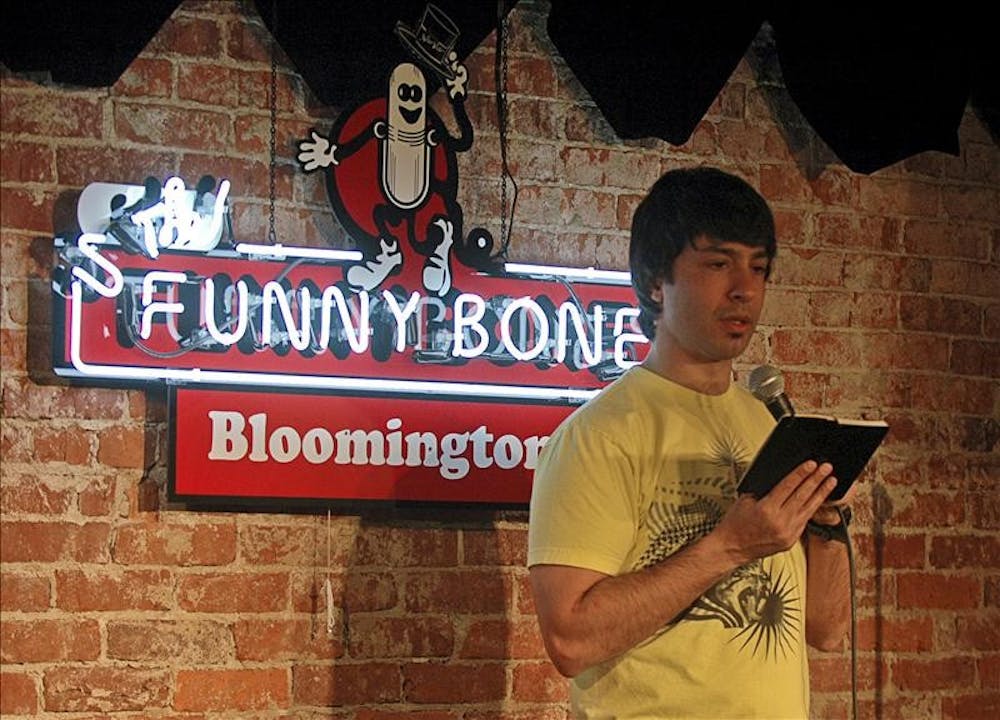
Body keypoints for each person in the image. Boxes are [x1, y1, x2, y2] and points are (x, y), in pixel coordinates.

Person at [527, 167, 853, 719]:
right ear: (657, 282)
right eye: (718, 264)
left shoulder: (767, 426)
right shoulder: (599, 436)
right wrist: (729, 546)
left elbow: (827, 628)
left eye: (759, 268)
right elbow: (570, 640)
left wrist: (824, 526)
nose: (744, 289)